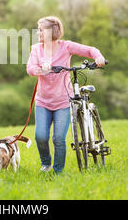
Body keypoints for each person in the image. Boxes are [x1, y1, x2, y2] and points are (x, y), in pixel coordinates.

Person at [26, 16, 105, 174]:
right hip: (43, 101)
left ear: (51, 32)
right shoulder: (36, 49)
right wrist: (42, 69)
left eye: (41, 30)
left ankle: (57, 171)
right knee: (40, 136)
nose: (38, 32)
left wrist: (98, 56)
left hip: (63, 101)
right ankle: (46, 164)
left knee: (58, 139)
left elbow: (90, 50)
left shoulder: (66, 46)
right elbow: (30, 69)